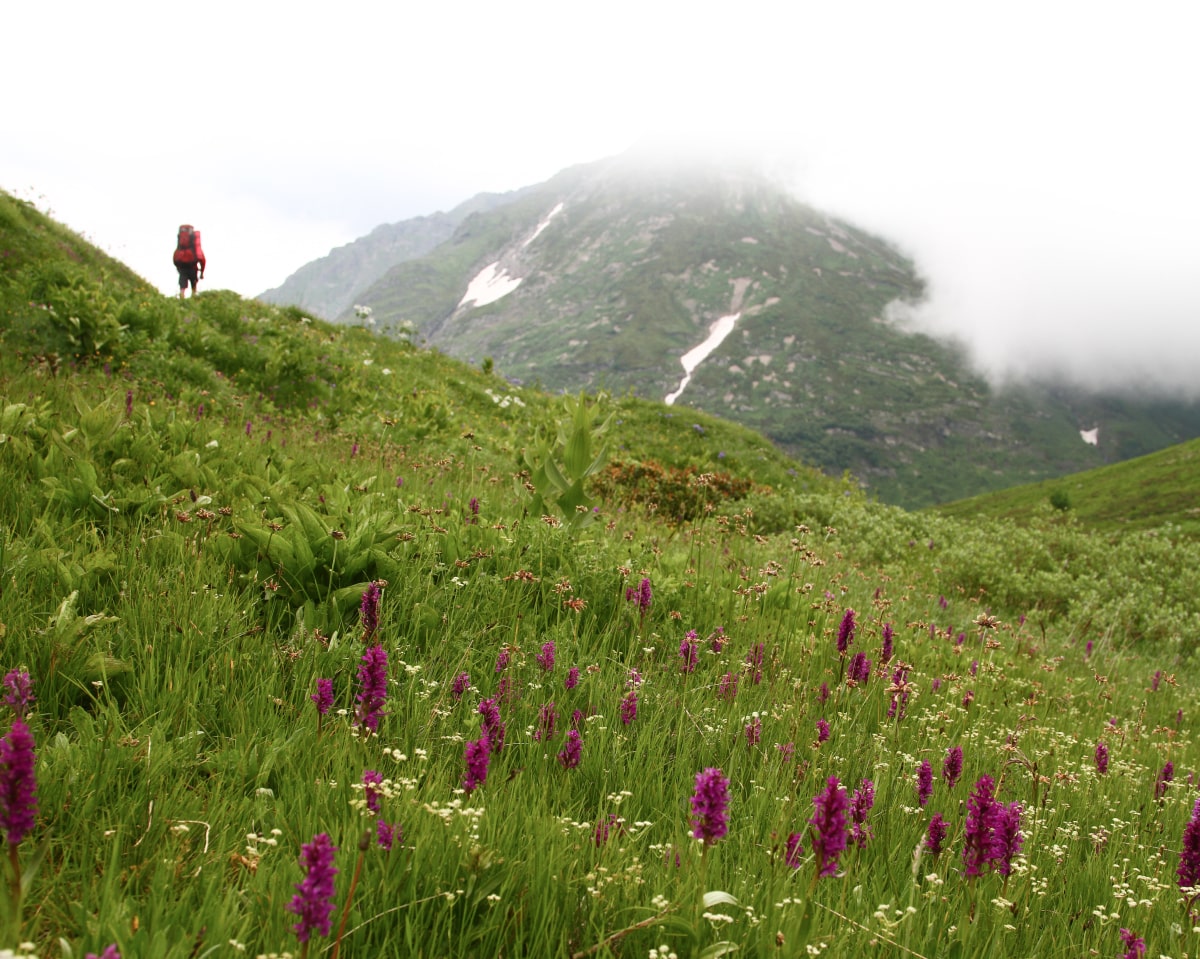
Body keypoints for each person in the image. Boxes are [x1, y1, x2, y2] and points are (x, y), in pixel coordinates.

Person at [173, 224, 206, 298]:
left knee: (182, 287)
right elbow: (202, 260)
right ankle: (193, 299)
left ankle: (182, 299)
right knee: (193, 285)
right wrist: (202, 272)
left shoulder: (180, 248)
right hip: (193, 268)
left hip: (182, 268)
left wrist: (178, 267)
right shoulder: (196, 248)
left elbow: (175, 258)